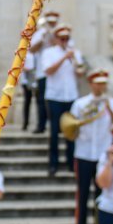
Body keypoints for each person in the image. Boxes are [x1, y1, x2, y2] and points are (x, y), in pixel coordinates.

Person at [70, 69, 113, 224]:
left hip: (103, 155)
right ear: (91, 84)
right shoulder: (80, 103)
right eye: (97, 83)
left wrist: (108, 108)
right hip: (84, 153)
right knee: (83, 191)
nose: (100, 86)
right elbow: (71, 127)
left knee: (102, 193)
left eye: (103, 83)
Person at [40, 23, 82, 176]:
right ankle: (53, 164)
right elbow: (48, 71)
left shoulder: (75, 53)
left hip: (71, 96)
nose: (65, 41)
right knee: (54, 132)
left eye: (67, 38)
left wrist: (75, 62)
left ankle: (71, 163)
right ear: (56, 39)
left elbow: (80, 73)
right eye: (62, 38)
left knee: (71, 131)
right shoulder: (49, 53)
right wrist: (64, 58)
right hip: (54, 97)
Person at [29, 10, 59, 133]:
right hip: (42, 72)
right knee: (41, 101)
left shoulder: (61, 34)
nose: (51, 24)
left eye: (53, 22)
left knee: (56, 101)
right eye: (49, 22)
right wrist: (42, 39)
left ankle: (56, 126)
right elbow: (31, 50)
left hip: (57, 74)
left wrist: (53, 38)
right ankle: (41, 125)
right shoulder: (41, 33)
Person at [20, 53, 35, 131]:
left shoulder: (35, 54)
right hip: (26, 81)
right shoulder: (23, 53)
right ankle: (25, 123)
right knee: (27, 102)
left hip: (34, 79)